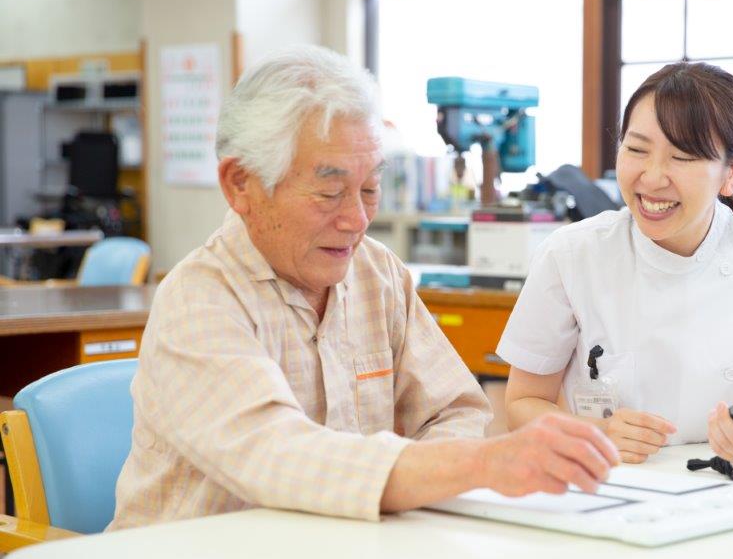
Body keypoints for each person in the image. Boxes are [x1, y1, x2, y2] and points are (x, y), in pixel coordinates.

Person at [107, 45, 618, 533]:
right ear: (241, 185)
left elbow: (454, 411)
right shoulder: (199, 299)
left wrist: (433, 478)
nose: (356, 219)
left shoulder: (378, 273)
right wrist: (478, 463)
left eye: (370, 189)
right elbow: (280, 457)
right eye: (329, 192)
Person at [498, 61, 733, 465]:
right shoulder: (570, 254)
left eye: (682, 156)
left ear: (732, 171)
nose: (653, 177)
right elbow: (522, 402)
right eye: (637, 149)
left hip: (730, 481)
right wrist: (595, 432)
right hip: (607, 478)